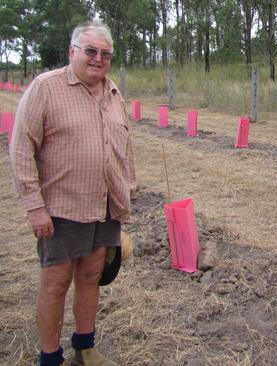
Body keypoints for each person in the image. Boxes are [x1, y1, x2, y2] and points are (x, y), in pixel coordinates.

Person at [10, 21, 135, 366]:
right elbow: (21, 148)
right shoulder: (46, 88)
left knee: (92, 276)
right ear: (72, 52)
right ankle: (50, 358)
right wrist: (35, 206)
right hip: (62, 207)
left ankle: (85, 347)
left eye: (105, 54)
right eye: (91, 51)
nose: (98, 59)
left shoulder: (112, 92)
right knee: (55, 284)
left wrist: (127, 190)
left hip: (105, 206)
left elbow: (124, 146)